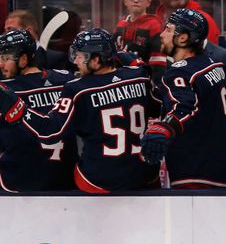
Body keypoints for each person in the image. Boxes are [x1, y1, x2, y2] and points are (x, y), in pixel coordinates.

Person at [0, 29, 158, 192]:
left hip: (96, 180)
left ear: (96, 60)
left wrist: (19, 109)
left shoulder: (77, 88)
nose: (75, 61)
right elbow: (159, 105)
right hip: (143, 173)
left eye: (80, 56)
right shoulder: (138, 75)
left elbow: (50, 130)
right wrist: (139, 65)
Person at [141, 9, 226, 189]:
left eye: (168, 29)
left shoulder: (180, 71)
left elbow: (184, 106)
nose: (162, 34)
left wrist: (163, 128)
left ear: (183, 38)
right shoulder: (214, 64)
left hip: (196, 169)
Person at [0, 29, 76, 191]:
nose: (1, 64)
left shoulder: (6, 90)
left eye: (6, 58)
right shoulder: (67, 80)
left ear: (23, 59)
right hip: (66, 181)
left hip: (18, 184)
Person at [113, 0, 167, 77]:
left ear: (148, 2)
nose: (136, 0)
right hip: (122, 80)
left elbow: (159, 63)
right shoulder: (120, 25)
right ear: (125, 1)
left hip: (144, 80)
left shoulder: (155, 25)